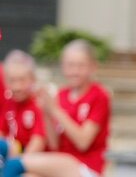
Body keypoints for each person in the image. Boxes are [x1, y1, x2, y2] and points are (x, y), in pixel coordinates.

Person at [1, 39, 110, 177]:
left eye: (81, 66)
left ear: (93, 66)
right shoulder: (62, 94)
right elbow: (54, 144)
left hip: (86, 166)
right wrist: (46, 112)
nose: (75, 71)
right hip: (61, 162)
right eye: (70, 65)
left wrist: (54, 110)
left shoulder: (99, 95)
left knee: (14, 165)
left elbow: (83, 142)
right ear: (63, 66)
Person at [0, 50, 46, 157]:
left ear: (33, 79)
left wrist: (18, 163)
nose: (17, 87)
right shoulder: (8, 102)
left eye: (22, 80)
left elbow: (38, 142)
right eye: (12, 81)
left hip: (29, 157)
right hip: (10, 151)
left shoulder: (38, 104)